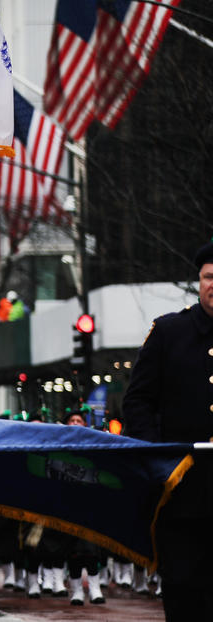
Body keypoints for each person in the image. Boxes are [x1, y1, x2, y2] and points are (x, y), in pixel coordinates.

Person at [122, 238, 213, 621]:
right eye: (209, 277)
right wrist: (158, 460)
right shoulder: (169, 332)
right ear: (198, 281)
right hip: (183, 492)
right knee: (184, 594)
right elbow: (138, 403)